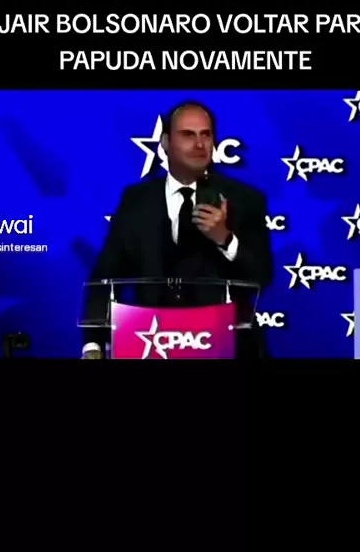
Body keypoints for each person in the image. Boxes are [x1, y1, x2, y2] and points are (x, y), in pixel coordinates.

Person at [81, 101, 273, 359]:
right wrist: (93, 345)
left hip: (225, 347)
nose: (199, 144)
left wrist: (225, 239)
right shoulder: (136, 200)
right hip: (149, 344)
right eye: (188, 135)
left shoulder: (245, 199)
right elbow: (104, 277)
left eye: (206, 135)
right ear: (165, 142)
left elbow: (262, 275)